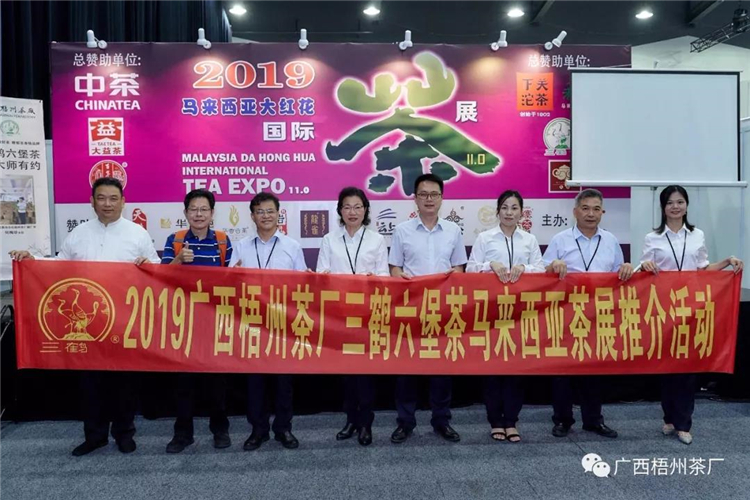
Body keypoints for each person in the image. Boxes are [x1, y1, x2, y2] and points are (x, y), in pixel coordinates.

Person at [10, 177, 159, 456]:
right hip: (87, 326)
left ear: (123, 202)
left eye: (113, 198)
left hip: (124, 322)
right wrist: (30, 261)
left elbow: (157, 269)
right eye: (101, 198)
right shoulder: (78, 233)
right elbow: (57, 267)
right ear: (92, 202)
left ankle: (124, 434)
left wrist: (147, 265)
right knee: (91, 384)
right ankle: (95, 435)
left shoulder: (137, 234)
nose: (107, 204)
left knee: (125, 383)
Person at [640, 185, 743, 445]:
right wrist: (645, 265)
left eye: (680, 202)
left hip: (690, 308)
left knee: (687, 366)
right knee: (666, 366)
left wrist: (727, 261)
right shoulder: (653, 237)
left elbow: (703, 269)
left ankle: (684, 423)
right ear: (663, 208)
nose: (675, 207)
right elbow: (645, 270)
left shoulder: (697, 235)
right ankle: (669, 417)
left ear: (686, 206)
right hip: (664, 309)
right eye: (670, 203)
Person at [543, 188, 634, 439]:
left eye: (596, 209)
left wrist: (626, 268)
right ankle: (562, 420)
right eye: (585, 208)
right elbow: (542, 272)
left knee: (594, 369)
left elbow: (618, 273)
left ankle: (593, 420)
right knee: (562, 370)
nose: (590, 214)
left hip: (598, 315)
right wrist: (553, 266)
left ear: (602, 212)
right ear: (575, 212)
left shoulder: (611, 240)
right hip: (566, 313)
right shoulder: (560, 240)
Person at [388, 173, 467, 444]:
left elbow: (459, 267)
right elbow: (394, 267)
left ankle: (441, 421)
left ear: (442, 198)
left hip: (442, 310)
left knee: (441, 370)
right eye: (423, 194)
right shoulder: (402, 230)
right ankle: (405, 422)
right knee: (406, 370)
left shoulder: (453, 231)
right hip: (410, 309)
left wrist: (452, 278)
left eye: (434, 194)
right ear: (415, 198)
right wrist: (401, 279)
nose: (429, 199)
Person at [230, 192, 307, 451]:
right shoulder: (241, 246)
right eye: (260, 212)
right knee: (255, 382)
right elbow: (229, 284)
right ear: (252, 216)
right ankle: (258, 430)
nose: (265, 216)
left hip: (283, 323)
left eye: (270, 211)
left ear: (278, 214)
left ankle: (283, 429)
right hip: (251, 323)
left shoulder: (292, 246)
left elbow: (302, 287)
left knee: (284, 382)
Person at [467, 190, 544, 443]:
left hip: (521, 314)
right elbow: (470, 270)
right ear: (497, 211)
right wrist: (490, 265)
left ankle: (511, 421)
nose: (509, 212)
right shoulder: (485, 238)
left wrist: (524, 268)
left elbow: (541, 270)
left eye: (514, 208)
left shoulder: (529, 240)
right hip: (491, 313)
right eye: (504, 207)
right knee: (492, 369)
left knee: (516, 369)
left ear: (522, 212)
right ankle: (495, 421)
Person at [160, 188, 233, 453]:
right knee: (184, 382)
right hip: (183, 322)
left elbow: (232, 280)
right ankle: (183, 434)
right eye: (193, 209)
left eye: (204, 209)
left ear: (212, 213)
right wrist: (178, 260)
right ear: (186, 212)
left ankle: (220, 429)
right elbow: (161, 277)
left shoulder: (223, 241)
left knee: (217, 382)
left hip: (214, 321)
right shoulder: (175, 240)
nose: (199, 214)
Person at [317, 187, 389, 447]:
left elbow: (384, 276)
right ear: (340, 210)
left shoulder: (376, 240)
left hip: (367, 314)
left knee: (365, 372)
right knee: (346, 372)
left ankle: (366, 422)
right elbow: (321, 273)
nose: (352, 212)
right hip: (339, 315)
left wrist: (374, 280)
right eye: (347, 207)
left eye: (357, 206)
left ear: (365, 210)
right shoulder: (329, 239)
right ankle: (350, 420)